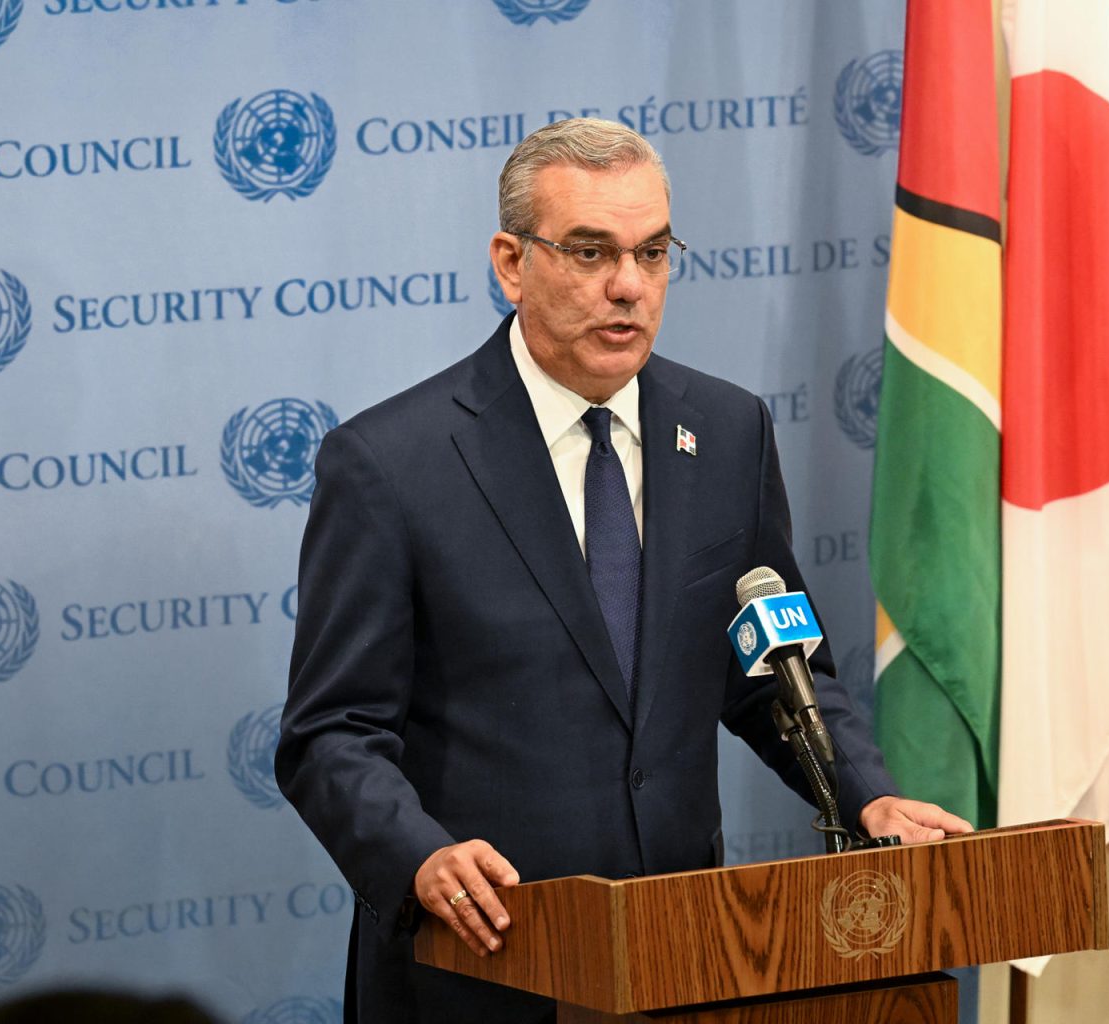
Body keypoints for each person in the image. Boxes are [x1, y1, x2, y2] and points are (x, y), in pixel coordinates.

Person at [274, 118, 971, 1024]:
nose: (629, 287)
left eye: (652, 252)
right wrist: (418, 857)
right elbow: (331, 733)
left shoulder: (726, 433)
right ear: (511, 262)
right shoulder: (392, 464)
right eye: (591, 251)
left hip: (681, 960)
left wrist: (868, 796)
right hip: (481, 966)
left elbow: (776, 671)